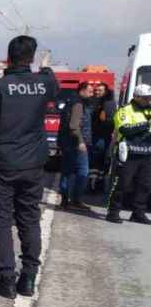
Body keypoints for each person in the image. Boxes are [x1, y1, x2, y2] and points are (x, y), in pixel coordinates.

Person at [0, 35, 59, 299]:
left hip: (1, 165)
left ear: (8, 57)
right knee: (29, 219)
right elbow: (53, 83)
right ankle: (29, 278)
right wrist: (45, 68)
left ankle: (7, 280)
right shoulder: (44, 84)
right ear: (31, 58)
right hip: (33, 164)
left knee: (0, 221)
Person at [105, 84, 151, 225]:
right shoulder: (125, 110)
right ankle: (113, 212)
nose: (148, 100)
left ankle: (138, 213)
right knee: (122, 184)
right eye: (145, 98)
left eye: (149, 98)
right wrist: (145, 126)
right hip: (128, 152)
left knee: (145, 185)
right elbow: (125, 129)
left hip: (147, 153)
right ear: (136, 97)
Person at [57, 82, 94, 212]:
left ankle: (65, 201)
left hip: (67, 142)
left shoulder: (71, 101)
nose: (92, 94)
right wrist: (80, 141)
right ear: (82, 90)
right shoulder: (78, 104)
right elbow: (74, 126)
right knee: (83, 171)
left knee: (67, 171)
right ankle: (75, 200)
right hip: (76, 143)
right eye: (89, 91)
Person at [90, 82, 117, 189]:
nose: (97, 92)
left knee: (97, 161)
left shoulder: (107, 103)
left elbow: (108, 122)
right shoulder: (98, 101)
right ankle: (95, 183)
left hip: (101, 137)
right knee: (98, 162)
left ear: (105, 92)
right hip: (99, 136)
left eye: (100, 90)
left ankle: (95, 184)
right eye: (96, 90)